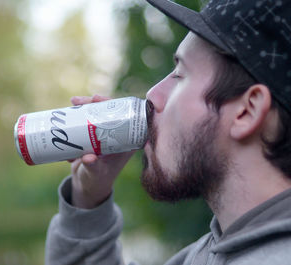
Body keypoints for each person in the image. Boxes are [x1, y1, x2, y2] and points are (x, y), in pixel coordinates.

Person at [45, 0, 291, 264]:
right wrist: (88, 199)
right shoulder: (213, 250)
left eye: (180, 74)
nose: (153, 94)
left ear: (248, 110)